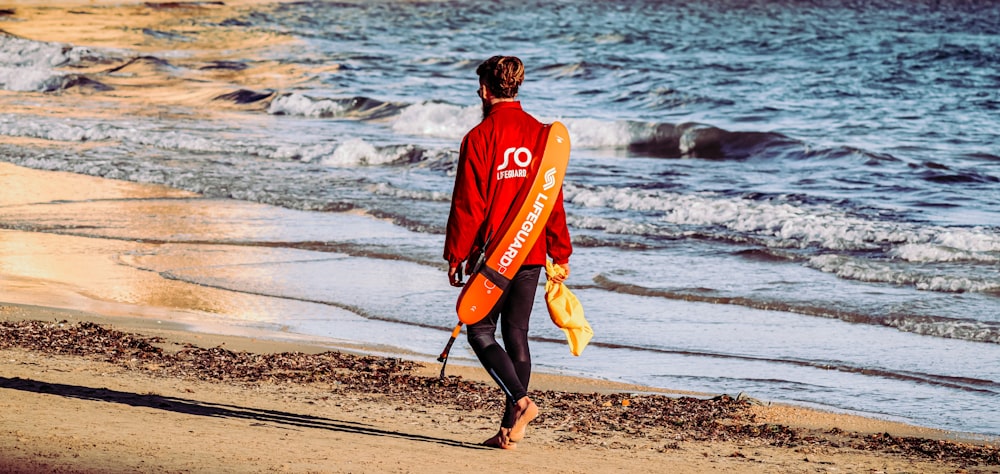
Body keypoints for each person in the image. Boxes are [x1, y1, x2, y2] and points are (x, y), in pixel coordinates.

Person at [443, 55, 572, 450]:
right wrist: (560, 251)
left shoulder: (479, 138)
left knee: (480, 331)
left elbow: (469, 205)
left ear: (485, 89)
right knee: (517, 336)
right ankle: (507, 431)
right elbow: (552, 199)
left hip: (496, 255)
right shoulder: (541, 134)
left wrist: (456, 253)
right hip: (530, 252)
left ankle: (521, 401)